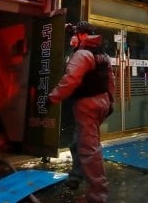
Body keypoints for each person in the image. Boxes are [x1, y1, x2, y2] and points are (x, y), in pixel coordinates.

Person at [48, 21, 115, 203]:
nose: (72, 39)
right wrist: (111, 100)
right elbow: (110, 79)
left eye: (74, 35)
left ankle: (97, 196)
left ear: (83, 35)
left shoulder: (82, 54)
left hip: (87, 105)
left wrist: (52, 98)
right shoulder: (102, 54)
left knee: (88, 149)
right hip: (102, 102)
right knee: (81, 142)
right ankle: (76, 176)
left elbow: (70, 81)